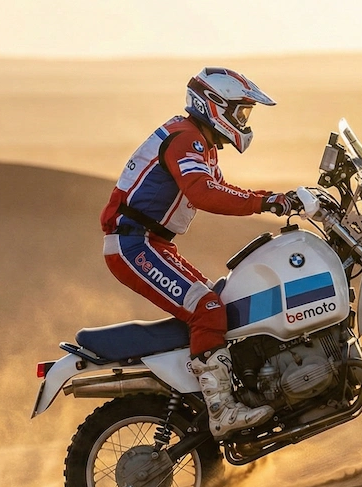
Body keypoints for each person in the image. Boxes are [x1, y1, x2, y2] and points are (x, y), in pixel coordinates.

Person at [100, 67, 292, 438]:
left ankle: (237, 391)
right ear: (214, 106)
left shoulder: (196, 140)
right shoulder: (185, 138)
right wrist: (268, 201)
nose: (244, 121)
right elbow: (204, 193)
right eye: (241, 112)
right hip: (133, 244)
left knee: (225, 301)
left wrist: (272, 198)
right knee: (206, 308)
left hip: (154, 243)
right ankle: (221, 410)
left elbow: (219, 187)